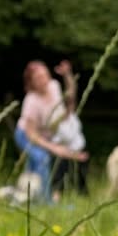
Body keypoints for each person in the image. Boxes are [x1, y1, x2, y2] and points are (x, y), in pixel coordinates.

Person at [15, 60, 88, 201]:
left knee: (32, 169)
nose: (44, 80)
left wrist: (67, 76)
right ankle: (46, 201)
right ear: (31, 82)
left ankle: (24, 198)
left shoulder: (54, 86)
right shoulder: (31, 101)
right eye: (38, 78)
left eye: (45, 75)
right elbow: (32, 134)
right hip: (26, 135)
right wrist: (55, 148)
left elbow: (70, 98)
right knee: (42, 159)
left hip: (46, 136)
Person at [49, 59, 89, 195]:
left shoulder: (72, 114)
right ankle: (56, 197)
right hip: (65, 156)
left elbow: (72, 91)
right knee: (59, 176)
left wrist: (67, 74)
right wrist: (77, 156)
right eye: (67, 103)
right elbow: (59, 147)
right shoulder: (54, 121)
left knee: (81, 183)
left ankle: (82, 196)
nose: (70, 104)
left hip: (80, 151)